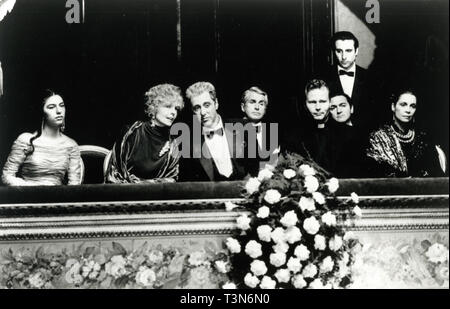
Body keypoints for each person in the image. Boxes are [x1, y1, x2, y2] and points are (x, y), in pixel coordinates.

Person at [105, 83, 184, 183]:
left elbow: (171, 179)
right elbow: (115, 173)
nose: (173, 112)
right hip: (124, 193)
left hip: (157, 196)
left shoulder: (173, 144)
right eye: (168, 106)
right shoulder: (132, 132)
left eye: (176, 108)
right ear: (154, 107)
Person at [179, 81, 256, 181]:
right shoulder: (188, 142)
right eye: (197, 108)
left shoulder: (244, 127)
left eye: (206, 105)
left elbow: (256, 168)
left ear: (216, 104)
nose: (203, 112)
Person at [2, 89, 81, 186]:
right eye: (51, 107)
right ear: (42, 112)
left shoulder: (71, 145)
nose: (59, 111)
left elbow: (74, 186)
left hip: (58, 198)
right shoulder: (25, 140)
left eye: (62, 106)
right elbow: (6, 176)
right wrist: (32, 187)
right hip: (28, 196)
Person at [366, 89, 445, 177]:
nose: (408, 110)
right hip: (391, 188)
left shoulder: (423, 137)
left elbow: (435, 173)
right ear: (393, 106)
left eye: (413, 106)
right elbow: (377, 174)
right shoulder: (378, 137)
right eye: (403, 105)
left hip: (422, 188)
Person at [284, 79, 341, 174]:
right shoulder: (293, 136)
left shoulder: (345, 133)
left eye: (322, 101)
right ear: (305, 104)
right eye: (312, 102)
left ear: (330, 103)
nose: (318, 107)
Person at [324, 31, 373, 129]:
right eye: (339, 51)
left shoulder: (371, 77)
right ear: (334, 52)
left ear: (356, 51)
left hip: (363, 135)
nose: (343, 57)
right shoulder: (323, 77)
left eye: (348, 50)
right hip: (331, 136)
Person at [240, 86, 279, 171]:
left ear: (265, 109)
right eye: (252, 102)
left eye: (261, 103)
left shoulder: (272, 132)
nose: (257, 107)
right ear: (243, 107)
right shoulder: (233, 132)